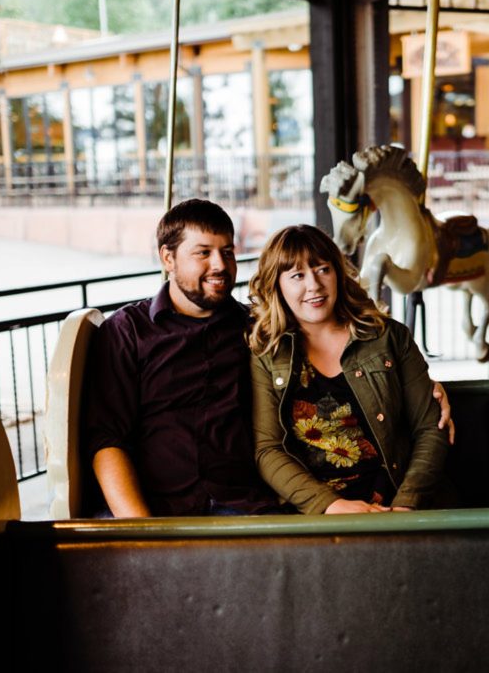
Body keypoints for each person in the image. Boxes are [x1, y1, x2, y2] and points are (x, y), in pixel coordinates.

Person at [85, 199, 451, 517]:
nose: (220, 264)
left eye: (227, 252)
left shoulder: (257, 331)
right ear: (168, 258)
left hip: (242, 505)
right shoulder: (128, 331)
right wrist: (144, 531)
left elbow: (360, 358)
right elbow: (105, 438)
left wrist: (427, 387)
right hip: (156, 505)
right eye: (203, 253)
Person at [248, 224, 450, 515]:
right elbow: (268, 449)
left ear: (338, 273)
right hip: (318, 511)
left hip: (396, 500)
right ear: (277, 285)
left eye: (323, 269)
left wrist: (407, 503)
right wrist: (330, 505)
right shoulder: (266, 354)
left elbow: (430, 427)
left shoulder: (388, 337)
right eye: (297, 276)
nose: (314, 285)